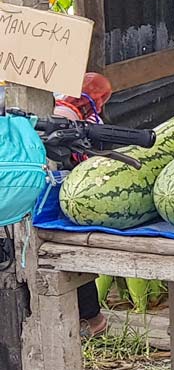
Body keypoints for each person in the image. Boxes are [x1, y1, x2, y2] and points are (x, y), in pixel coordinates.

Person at [54, 72, 114, 340]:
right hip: (58, 189)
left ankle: (92, 319)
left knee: (67, 253)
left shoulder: (77, 115)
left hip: (61, 189)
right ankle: (92, 318)